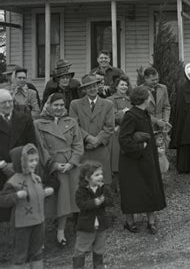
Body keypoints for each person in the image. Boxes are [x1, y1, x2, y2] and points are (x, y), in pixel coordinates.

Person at [34, 92, 84, 246]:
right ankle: (39, 237)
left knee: (65, 202)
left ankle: (60, 232)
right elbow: (40, 148)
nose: (59, 108)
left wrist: (72, 162)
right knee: (47, 203)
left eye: (62, 105)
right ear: (48, 106)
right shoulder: (38, 124)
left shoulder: (71, 122)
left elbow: (78, 145)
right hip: (50, 168)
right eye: (55, 105)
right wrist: (53, 165)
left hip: (70, 168)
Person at [0, 144, 54, 269]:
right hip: (22, 224)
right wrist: (16, 196)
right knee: (21, 253)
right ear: (21, 161)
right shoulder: (13, 181)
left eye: (36, 160)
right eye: (30, 160)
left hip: (38, 221)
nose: (34, 163)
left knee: (37, 251)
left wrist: (44, 192)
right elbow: (3, 200)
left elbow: (35, 195)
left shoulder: (37, 178)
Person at [118, 86, 166, 234]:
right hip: (133, 161)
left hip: (146, 158)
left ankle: (151, 221)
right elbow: (124, 139)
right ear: (144, 99)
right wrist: (141, 146)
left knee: (150, 187)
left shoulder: (144, 114)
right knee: (132, 191)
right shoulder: (131, 115)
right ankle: (129, 221)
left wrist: (153, 143)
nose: (150, 98)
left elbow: (146, 134)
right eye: (148, 96)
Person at [69, 74, 115, 185]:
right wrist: (88, 138)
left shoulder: (108, 104)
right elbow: (73, 125)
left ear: (98, 86)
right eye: (88, 87)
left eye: (94, 86)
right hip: (83, 149)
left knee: (102, 182)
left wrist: (97, 141)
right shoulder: (75, 104)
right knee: (84, 182)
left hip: (100, 149)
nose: (92, 89)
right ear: (84, 89)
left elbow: (110, 126)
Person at [0, 88, 36, 222]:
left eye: (10, 102)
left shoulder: (24, 119)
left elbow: (31, 145)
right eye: (3, 103)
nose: (8, 105)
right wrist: (3, 165)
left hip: (21, 169)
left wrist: (22, 165)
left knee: (22, 207)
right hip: (1, 170)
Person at [73, 160, 113, 269]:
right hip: (86, 225)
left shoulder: (104, 189)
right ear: (87, 177)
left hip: (101, 223)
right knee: (81, 248)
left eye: (101, 174)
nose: (100, 177)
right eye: (96, 175)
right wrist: (95, 201)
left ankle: (98, 266)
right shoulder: (81, 191)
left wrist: (103, 199)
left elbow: (111, 201)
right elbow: (82, 204)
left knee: (99, 246)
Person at [106, 75, 131, 193]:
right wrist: (124, 112)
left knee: (127, 160)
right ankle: (114, 187)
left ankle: (126, 185)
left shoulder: (130, 99)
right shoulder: (111, 100)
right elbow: (112, 116)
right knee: (116, 160)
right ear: (116, 86)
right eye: (122, 84)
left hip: (129, 133)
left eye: (126, 85)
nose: (124, 87)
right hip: (116, 134)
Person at [140, 67, 171, 132]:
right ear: (146, 78)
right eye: (153, 80)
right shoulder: (140, 90)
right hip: (146, 125)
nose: (155, 82)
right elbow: (141, 111)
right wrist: (156, 121)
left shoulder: (163, 88)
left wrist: (165, 121)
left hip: (161, 127)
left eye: (157, 79)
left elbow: (166, 107)